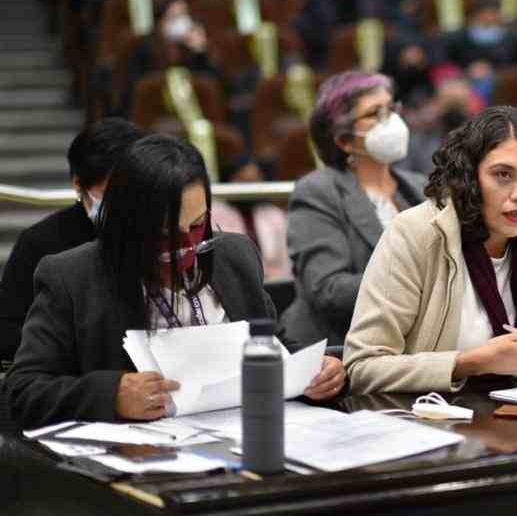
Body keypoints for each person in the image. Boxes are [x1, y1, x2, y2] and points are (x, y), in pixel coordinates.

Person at [4, 135, 344, 429]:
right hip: (144, 460)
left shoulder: (233, 256)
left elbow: (274, 344)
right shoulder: (72, 277)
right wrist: (111, 395)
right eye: (165, 233)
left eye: (197, 226)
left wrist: (315, 370)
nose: (187, 247)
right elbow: (23, 390)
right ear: (127, 226)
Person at [344, 106, 517, 394]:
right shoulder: (415, 232)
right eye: (503, 174)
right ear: (469, 177)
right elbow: (363, 367)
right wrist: (469, 363)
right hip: (438, 420)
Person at [283, 72, 426, 348]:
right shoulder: (318, 190)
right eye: (375, 113)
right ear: (344, 141)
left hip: (405, 346)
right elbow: (328, 288)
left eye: (392, 109)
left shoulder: (419, 187)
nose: (392, 121)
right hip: (334, 350)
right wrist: (415, 284)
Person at [0, 118, 144, 362]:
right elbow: (6, 331)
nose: (124, 204)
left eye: (133, 191)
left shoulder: (159, 231)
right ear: (79, 184)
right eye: (111, 193)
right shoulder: (41, 243)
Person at [437, 0, 517, 105]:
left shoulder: (513, 37)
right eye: (485, 13)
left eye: (493, 13)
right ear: (477, 14)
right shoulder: (460, 37)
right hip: (465, 80)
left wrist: (494, 72)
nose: (489, 17)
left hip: (501, 82)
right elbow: (446, 61)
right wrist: (468, 71)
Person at [210, 157, 292, 281]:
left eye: (254, 180)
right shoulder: (214, 214)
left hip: (275, 285)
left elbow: (287, 262)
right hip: (231, 284)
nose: (248, 185)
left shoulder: (275, 215)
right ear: (228, 180)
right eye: (242, 179)